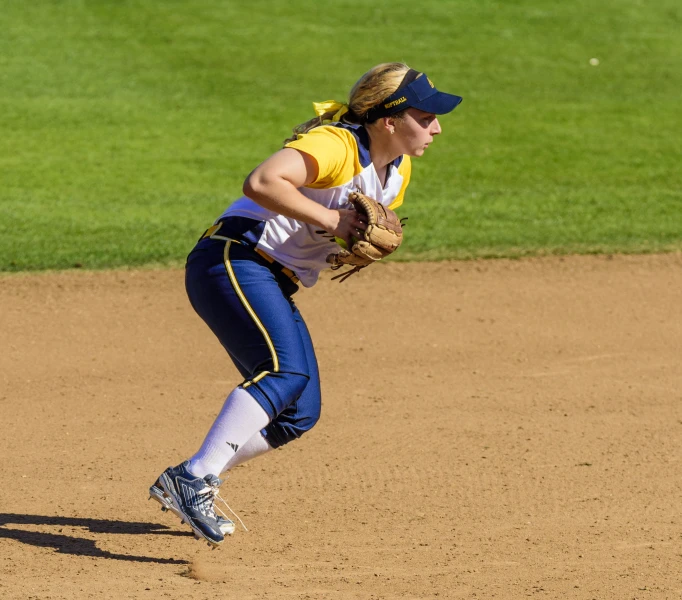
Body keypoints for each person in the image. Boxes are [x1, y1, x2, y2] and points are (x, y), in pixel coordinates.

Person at [149, 62, 463, 547]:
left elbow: (348, 230)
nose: (437, 127)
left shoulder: (397, 174)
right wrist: (334, 222)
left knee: (300, 411)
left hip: (272, 279)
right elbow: (262, 182)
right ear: (389, 121)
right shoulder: (337, 145)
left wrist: (350, 244)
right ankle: (195, 478)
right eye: (426, 117)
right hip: (234, 258)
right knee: (283, 373)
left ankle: (192, 476)